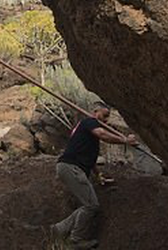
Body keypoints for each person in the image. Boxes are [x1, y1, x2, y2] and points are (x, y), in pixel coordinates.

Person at [51, 101, 138, 248]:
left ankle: (60, 229)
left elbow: (89, 160)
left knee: (88, 204)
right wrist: (125, 140)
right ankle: (76, 240)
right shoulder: (89, 122)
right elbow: (102, 134)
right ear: (95, 111)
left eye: (107, 117)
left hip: (69, 167)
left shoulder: (87, 134)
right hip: (71, 167)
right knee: (91, 206)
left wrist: (98, 176)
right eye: (104, 115)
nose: (105, 120)